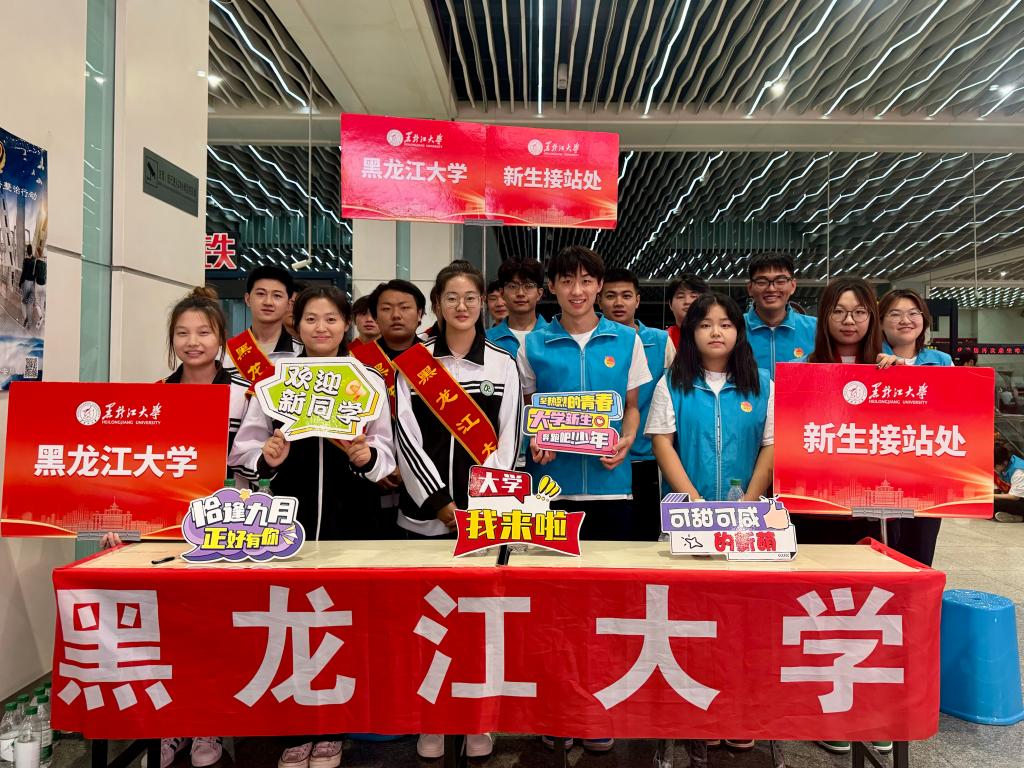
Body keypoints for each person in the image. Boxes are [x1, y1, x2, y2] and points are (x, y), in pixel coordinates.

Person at [228, 287, 396, 768]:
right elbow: (244, 448)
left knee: (344, 619)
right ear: (295, 324)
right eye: (311, 319)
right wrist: (267, 456)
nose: (321, 328)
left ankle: (335, 727)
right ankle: (297, 727)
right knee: (292, 618)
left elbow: (387, 449)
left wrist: (367, 456)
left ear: (347, 325)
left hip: (354, 516)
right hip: (289, 518)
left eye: (331, 319)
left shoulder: (367, 379)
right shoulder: (275, 379)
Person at [518, 246, 651, 754]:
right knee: (555, 608)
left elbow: (632, 406)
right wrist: (534, 438)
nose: (577, 290)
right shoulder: (534, 344)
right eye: (567, 281)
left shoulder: (627, 340)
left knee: (607, 604)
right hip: (551, 494)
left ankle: (598, 709)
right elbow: (527, 407)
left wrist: (626, 440)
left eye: (586, 281)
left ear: (598, 286)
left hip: (613, 490)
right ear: (552, 287)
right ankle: (558, 708)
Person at [110, 286, 247, 768]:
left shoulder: (244, 394)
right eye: (183, 333)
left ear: (221, 338)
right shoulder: (157, 394)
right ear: (172, 341)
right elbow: (136, 469)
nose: (193, 342)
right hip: (164, 531)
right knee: (170, 627)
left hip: (226, 527)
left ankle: (208, 721)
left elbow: (252, 463)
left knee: (214, 626)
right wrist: (120, 520)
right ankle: (172, 725)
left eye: (203, 332)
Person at [392, 261, 521, 760]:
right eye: (451, 298)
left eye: (470, 297)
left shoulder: (503, 363)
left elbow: (509, 439)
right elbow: (405, 438)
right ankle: (431, 717)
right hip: (427, 515)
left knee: (477, 622)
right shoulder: (414, 364)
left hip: (483, 519)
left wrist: (483, 505)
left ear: (484, 302)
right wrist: (442, 504)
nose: (462, 306)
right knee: (424, 621)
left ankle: (476, 717)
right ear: (437, 305)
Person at [645, 292, 771, 753]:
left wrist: (747, 506)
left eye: (726, 323)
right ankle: (692, 709)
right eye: (704, 324)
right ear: (690, 332)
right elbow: (662, 442)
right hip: (686, 519)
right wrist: (695, 504)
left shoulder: (763, 384)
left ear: (739, 331)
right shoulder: (672, 383)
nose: (716, 332)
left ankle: (736, 708)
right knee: (687, 616)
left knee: (742, 618)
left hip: (748, 521)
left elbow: (771, 446)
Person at [804, 276, 891, 756]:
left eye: (859, 311)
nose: (849, 320)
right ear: (824, 318)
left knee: (872, 604)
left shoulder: (891, 370)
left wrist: (904, 376)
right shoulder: (803, 372)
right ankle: (830, 707)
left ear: (871, 317)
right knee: (825, 603)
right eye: (839, 311)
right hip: (818, 508)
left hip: (873, 508)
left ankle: (871, 708)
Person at [870, 290, 952, 565]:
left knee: (920, 553)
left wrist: (907, 373)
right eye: (895, 314)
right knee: (881, 554)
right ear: (881, 322)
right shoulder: (869, 360)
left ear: (924, 320)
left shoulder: (942, 362)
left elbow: (956, 410)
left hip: (927, 474)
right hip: (879, 472)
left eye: (913, 313)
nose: (905, 320)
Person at [599, 267, 674, 540]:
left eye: (626, 295)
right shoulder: (592, 344)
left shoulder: (661, 341)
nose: (618, 303)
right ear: (599, 300)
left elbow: (674, 397)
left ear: (638, 300)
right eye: (611, 296)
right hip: (601, 456)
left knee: (644, 538)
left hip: (646, 457)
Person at [350, 279, 427, 536]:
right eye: (386, 309)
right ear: (375, 316)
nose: (395, 315)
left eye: (405, 307)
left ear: (420, 314)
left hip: (427, 480)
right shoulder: (354, 363)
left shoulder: (437, 360)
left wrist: (409, 469)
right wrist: (376, 464)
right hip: (366, 482)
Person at [223, 265, 302, 392]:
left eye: (277, 296)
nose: (268, 302)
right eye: (260, 294)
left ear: (288, 304)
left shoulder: (301, 353)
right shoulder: (225, 353)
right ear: (248, 299)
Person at [744, 253, 816, 377]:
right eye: (762, 282)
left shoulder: (816, 329)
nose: (771, 289)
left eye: (780, 281)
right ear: (750, 288)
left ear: (793, 286)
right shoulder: (734, 328)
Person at [486, 258, 547, 356]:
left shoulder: (555, 337)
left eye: (528, 286)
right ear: (502, 293)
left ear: (539, 293)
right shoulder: (486, 340)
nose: (520, 293)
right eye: (513, 286)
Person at [666, 273, 707, 350]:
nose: (687, 302)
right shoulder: (663, 340)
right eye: (680, 297)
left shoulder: (715, 336)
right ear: (670, 305)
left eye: (694, 296)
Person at [994, 442, 1024, 522]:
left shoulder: (1018, 471)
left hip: (1019, 498)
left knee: (994, 504)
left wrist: (993, 496)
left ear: (1004, 462)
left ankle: (1020, 518)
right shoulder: (1006, 465)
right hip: (1020, 498)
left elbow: (1014, 497)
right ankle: (1017, 517)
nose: (993, 468)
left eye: (995, 466)